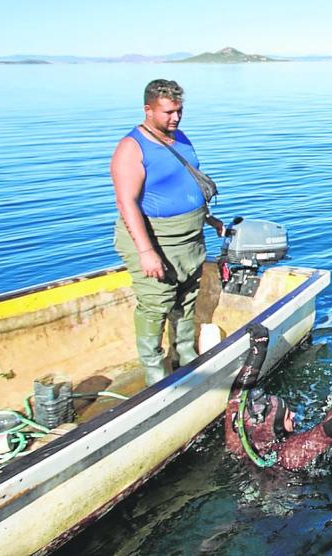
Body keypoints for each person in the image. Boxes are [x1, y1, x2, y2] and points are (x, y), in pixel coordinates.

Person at [111, 79, 223, 385]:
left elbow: (187, 183)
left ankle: (184, 354)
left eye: (179, 111)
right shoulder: (131, 149)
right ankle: (154, 372)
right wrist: (147, 252)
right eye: (168, 112)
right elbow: (127, 203)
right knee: (156, 303)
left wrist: (208, 218)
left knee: (187, 297)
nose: (175, 118)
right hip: (157, 240)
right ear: (148, 110)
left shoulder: (180, 138)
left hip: (189, 239)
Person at [224, 325, 332, 470]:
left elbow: (237, 396)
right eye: (288, 417)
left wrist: (259, 349)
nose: (295, 415)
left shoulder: (238, 444)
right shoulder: (290, 455)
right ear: (276, 428)